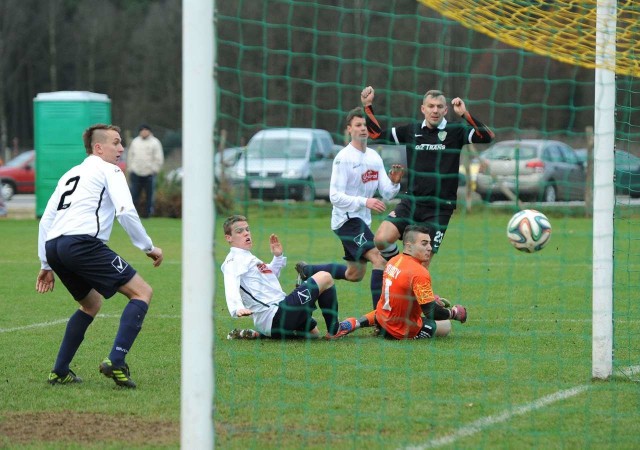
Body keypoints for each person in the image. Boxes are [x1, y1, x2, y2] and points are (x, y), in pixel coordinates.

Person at [36, 124, 164, 388]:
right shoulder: (110, 170)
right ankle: (117, 361)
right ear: (98, 147)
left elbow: (47, 219)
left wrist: (46, 263)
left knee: (91, 304)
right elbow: (126, 211)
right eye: (116, 143)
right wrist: (148, 247)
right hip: (82, 244)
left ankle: (60, 370)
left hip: (55, 246)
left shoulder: (71, 173)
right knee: (142, 293)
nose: (121, 149)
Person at [361, 86, 494, 267]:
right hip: (411, 202)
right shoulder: (411, 131)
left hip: (439, 209)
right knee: (381, 239)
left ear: (446, 110)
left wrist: (464, 114)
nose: (435, 110)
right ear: (423, 109)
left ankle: (412, 283)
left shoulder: (455, 132)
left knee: (421, 266)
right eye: (431, 106)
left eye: (439, 106)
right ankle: (397, 267)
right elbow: (376, 134)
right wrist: (367, 106)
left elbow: (487, 136)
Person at [295, 107, 404, 309]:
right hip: (346, 221)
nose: (363, 129)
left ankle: (308, 270)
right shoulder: (343, 158)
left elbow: (387, 193)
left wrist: (395, 183)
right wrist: (365, 202)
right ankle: (380, 319)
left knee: (354, 275)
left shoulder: (374, 157)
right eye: (358, 125)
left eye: (366, 125)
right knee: (380, 259)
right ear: (349, 129)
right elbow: (334, 196)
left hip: (361, 222)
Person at [221, 214, 351, 339]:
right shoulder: (233, 260)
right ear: (228, 238)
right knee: (325, 277)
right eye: (239, 231)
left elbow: (270, 277)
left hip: (272, 321)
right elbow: (230, 282)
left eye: (247, 229)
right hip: (275, 314)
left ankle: (260, 335)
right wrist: (237, 308)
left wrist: (277, 257)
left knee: (313, 333)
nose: (246, 233)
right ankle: (335, 331)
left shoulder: (248, 258)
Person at [335, 225, 467, 340]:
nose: (429, 248)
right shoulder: (419, 272)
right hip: (400, 331)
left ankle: (356, 322)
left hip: (382, 319)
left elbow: (403, 291)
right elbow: (431, 312)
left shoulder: (393, 260)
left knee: (385, 309)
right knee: (446, 326)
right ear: (409, 246)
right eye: (424, 243)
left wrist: (429, 297)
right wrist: (453, 313)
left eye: (430, 243)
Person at [127, 124, 164, 217]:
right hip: (136, 172)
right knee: (134, 195)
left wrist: (154, 170)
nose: (144, 132)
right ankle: (132, 214)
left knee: (149, 196)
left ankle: (147, 214)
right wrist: (130, 168)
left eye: (145, 130)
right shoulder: (135, 142)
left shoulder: (155, 142)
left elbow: (159, 158)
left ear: (149, 131)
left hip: (149, 173)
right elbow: (130, 156)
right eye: (142, 130)